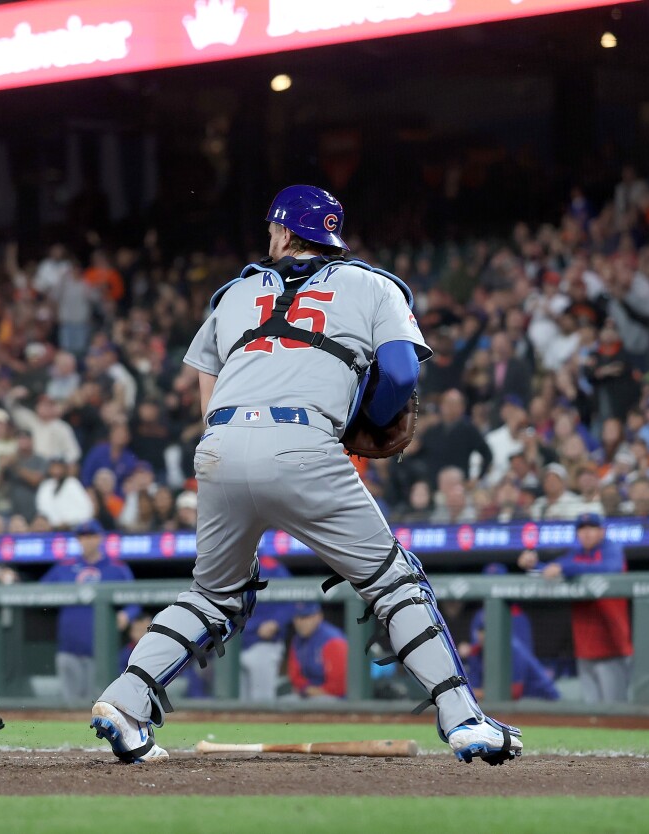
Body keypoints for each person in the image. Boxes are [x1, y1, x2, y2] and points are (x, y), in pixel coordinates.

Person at [89, 185, 522, 765]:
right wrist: (357, 422)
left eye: (273, 229)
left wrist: (242, 443)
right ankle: (464, 720)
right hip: (305, 443)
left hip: (218, 448)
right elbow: (397, 372)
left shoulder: (234, 292)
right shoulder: (373, 284)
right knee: (394, 582)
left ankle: (125, 701)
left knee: (213, 594)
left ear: (286, 233)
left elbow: (207, 396)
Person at [517, 513, 632, 703]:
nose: (586, 534)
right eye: (582, 529)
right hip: (585, 647)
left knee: (615, 710)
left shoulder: (611, 549)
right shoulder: (576, 554)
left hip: (613, 646)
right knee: (590, 711)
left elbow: (609, 567)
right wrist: (534, 564)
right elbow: (554, 569)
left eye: (592, 528)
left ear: (602, 531)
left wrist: (566, 568)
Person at [40, 520, 138, 702]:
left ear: (100, 538)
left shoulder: (116, 568)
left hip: (102, 651)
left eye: (91, 536)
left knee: (101, 704)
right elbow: (38, 594)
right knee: (70, 706)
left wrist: (126, 614)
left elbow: (135, 602)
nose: (87, 541)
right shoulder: (65, 566)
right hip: (68, 648)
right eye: (82, 537)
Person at [459, 608, 559, 701]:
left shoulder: (513, 649)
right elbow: (475, 687)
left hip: (545, 700)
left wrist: (474, 694)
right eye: (481, 630)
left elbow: (515, 692)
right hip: (519, 705)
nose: (483, 635)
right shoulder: (477, 653)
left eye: (488, 630)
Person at [238, 555, 292, 702]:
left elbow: (293, 599)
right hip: (235, 645)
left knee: (262, 702)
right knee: (235, 704)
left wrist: (276, 622)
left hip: (263, 643)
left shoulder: (271, 566)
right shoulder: (228, 565)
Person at [286, 604, 348, 700]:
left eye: (305, 617)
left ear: (318, 617)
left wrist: (315, 691)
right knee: (285, 703)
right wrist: (306, 688)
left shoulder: (333, 640)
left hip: (336, 697)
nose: (300, 622)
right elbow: (294, 675)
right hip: (308, 693)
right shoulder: (297, 640)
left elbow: (340, 685)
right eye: (297, 618)